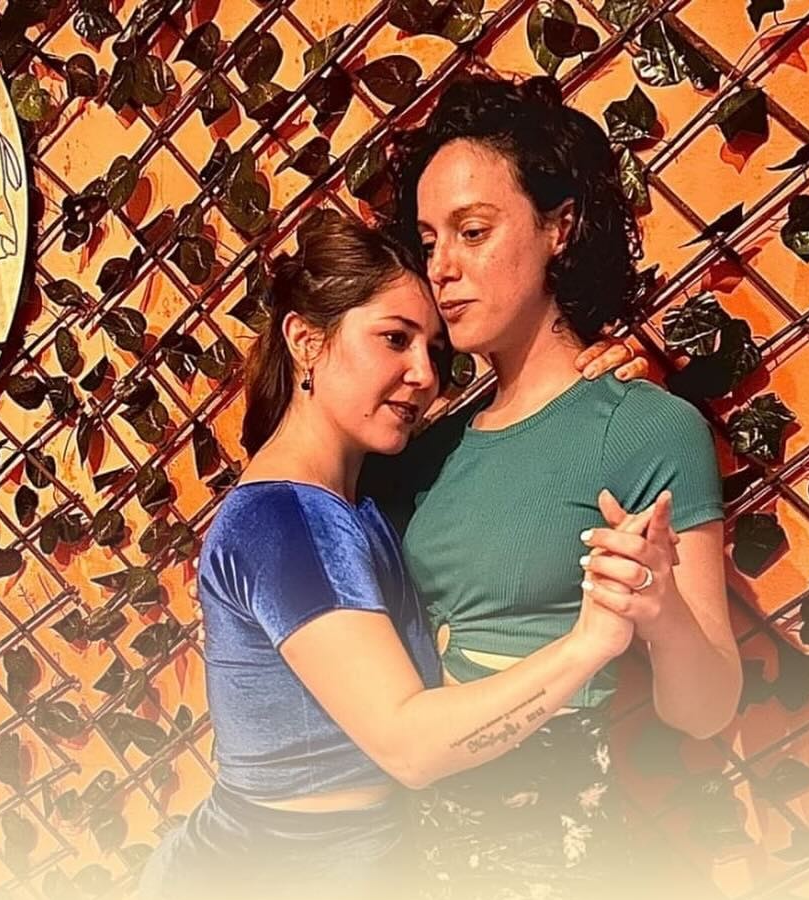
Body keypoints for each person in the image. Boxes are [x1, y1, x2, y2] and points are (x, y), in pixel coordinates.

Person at [134, 209, 647, 900]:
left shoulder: (362, 498)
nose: (424, 375)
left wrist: (606, 383)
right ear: (306, 341)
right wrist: (590, 644)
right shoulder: (284, 521)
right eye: (394, 339)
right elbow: (409, 745)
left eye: (435, 350)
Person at [360, 73, 744, 899]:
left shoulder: (642, 429)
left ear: (558, 227)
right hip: (399, 847)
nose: (443, 269)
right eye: (428, 241)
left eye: (473, 231)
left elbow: (708, 707)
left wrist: (661, 610)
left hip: (544, 856)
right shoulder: (426, 450)